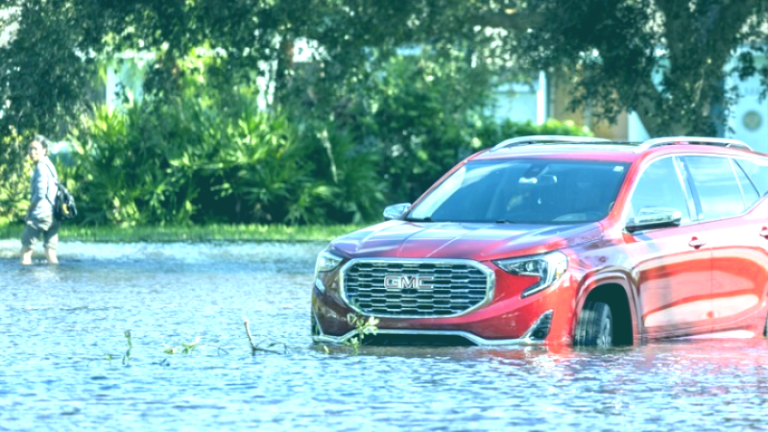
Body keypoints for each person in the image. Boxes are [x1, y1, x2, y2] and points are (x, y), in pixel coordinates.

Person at [20, 135, 59, 265]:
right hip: (54, 216)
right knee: (50, 252)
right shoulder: (50, 165)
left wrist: (29, 211)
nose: (32, 152)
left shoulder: (41, 167)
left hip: (41, 214)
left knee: (26, 251)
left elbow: (40, 193)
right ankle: (56, 281)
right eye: (30, 149)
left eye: (36, 149)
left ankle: (25, 283)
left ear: (44, 150)